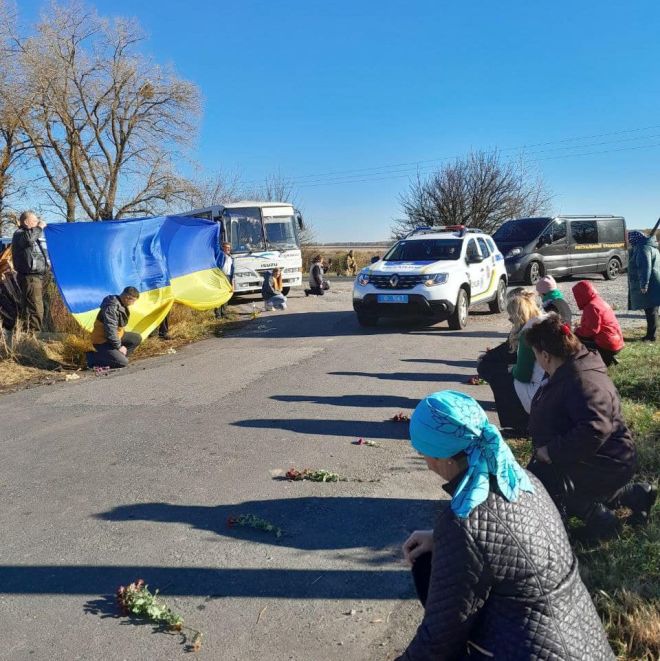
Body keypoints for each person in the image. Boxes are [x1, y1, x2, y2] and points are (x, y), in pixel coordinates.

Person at [397, 390, 614, 660]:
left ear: (441, 456)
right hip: (583, 645)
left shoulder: (463, 525)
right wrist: (441, 538)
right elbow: (502, 542)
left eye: (422, 450)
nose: (424, 459)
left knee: (427, 569)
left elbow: (438, 640)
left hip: (526, 651)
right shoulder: (522, 480)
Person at [526, 316, 656, 540]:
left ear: (545, 355)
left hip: (608, 461)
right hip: (602, 457)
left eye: (536, 355)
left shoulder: (582, 380)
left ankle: (602, 522)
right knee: (546, 473)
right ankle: (637, 495)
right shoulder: (570, 369)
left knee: (544, 479)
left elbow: (595, 428)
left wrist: (552, 451)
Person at [478, 290, 543, 433]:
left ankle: (519, 424)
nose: (509, 319)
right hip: (542, 378)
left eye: (511, 315)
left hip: (539, 384)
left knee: (501, 377)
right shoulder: (536, 323)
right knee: (492, 367)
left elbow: (523, 374)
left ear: (519, 315)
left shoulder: (528, 334)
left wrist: (511, 369)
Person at [86, 286, 142, 369]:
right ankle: (91, 358)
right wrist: (119, 347)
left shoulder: (121, 303)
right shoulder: (111, 307)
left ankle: (117, 357)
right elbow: (110, 331)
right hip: (103, 340)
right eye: (133, 301)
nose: (133, 304)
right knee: (123, 363)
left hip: (116, 337)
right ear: (127, 298)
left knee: (136, 338)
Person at [11, 210, 48, 332]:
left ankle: (29, 333)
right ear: (26, 222)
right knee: (35, 307)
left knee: (32, 306)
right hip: (30, 277)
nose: (38, 222)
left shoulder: (28, 234)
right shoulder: (20, 234)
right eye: (35, 221)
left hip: (34, 277)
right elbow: (28, 240)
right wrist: (40, 227)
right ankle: (35, 335)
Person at [572, 280, 624, 366]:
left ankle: (588, 360)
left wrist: (576, 330)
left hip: (607, 345)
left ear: (580, 295)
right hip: (617, 342)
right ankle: (608, 357)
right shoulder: (598, 301)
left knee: (575, 338)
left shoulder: (591, 307)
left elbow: (591, 330)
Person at [628, 229, 660, 341]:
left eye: (630, 238)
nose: (629, 241)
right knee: (653, 310)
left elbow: (644, 267)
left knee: (650, 310)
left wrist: (644, 284)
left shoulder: (642, 248)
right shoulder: (652, 247)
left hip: (650, 283)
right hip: (655, 282)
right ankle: (651, 334)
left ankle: (651, 336)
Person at [215, 241, 234, 319]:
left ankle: (224, 313)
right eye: (226, 248)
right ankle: (218, 314)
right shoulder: (221, 255)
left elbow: (232, 271)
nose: (228, 249)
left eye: (229, 248)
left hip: (228, 277)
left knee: (226, 295)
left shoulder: (231, 258)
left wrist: (232, 282)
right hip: (221, 277)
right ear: (223, 248)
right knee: (219, 295)